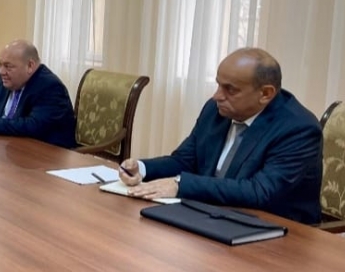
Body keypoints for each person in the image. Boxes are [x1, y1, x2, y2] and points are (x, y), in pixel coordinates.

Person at [118, 48, 322, 224]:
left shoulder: (298, 128)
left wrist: (180, 185)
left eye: (230, 90)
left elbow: (260, 191)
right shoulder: (216, 110)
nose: (217, 96)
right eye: (218, 84)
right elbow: (186, 160)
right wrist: (142, 169)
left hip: (273, 230)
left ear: (265, 94)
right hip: (214, 215)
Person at [0, 39, 77, 148]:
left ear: (30, 66)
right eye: (0, 65)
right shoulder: (8, 80)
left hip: (45, 155)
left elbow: (33, 126)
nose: (1, 71)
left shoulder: (50, 87)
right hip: (9, 148)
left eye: (8, 66)